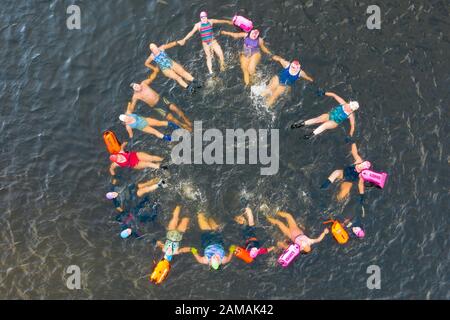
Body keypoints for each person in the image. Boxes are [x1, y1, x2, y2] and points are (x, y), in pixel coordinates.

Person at [126, 76, 193, 132]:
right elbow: (132, 108)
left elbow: (151, 78)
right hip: (157, 106)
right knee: (171, 118)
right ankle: (183, 126)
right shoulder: (135, 96)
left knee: (175, 109)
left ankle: (186, 120)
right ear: (134, 90)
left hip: (161, 100)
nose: (137, 86)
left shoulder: (144, 84)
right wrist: (128, 107)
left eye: (136, 85)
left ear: (138, 83)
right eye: (135, 87)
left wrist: (155, 70)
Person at [291, 91, 359, 140]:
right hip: (330, 115)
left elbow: (352, 126)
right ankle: (300, 124)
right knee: (317, 119)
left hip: (334, 122)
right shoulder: (343, 103)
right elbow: (334, 95)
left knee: (325, 125)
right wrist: (323, 93)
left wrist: (350, 135)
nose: (348, 107)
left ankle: (310, 135)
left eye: (350, 108)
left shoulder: (351, 115)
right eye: (349, 106)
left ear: (352, 109)